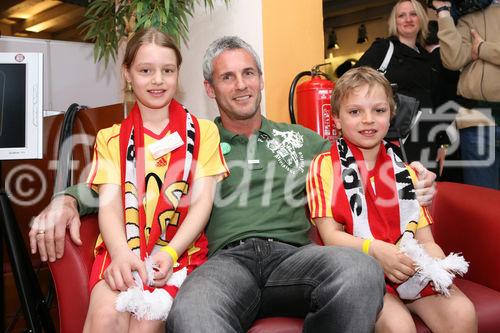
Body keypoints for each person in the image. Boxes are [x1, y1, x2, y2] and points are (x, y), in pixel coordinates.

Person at [29, 36, 437, 332]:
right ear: (209, 88)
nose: (241, 84)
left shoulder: (303, 140)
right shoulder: (195, 140)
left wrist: (414, 177)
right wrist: (65, 200)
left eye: (248, 74)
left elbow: (366, 156)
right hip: (225, 263)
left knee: (359, 271)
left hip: (295, 259)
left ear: (260, 79)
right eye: (227, 77)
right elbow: (123, 179)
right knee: (191, 316)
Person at [307, 66, 477, 332]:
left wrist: (436, 264)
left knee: (462, 312)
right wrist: (376, 251)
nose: (368, 120)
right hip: (364, 273)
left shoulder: (407, 171)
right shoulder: (324, 166)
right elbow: (330, 237)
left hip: (412, 270)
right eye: (355, 112)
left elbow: (425, 241)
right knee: (400, 328)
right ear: (337, 119)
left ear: (391, 114)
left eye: (379, 110)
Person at [82, 28, 228, 332]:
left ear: (178, 73)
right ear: (127, 74)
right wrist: (121, 254)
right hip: (120, 250)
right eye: (145, 71)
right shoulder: (110, 138)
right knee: (106, 319)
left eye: (167, 70)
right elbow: (109, 207)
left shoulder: (204, 133)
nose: (158, 80)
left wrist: (171, 251)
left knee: (146, 326)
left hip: (179, 253)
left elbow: (202, 203)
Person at [355, 0, 436, 165]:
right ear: (395, 21)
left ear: (421, 18)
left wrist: (442, 143)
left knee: (426, 188)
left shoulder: (427, 58)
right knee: (398, 186)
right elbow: (353, 81)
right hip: (396, 138)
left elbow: (436, 99)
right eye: (402, 15)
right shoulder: (383, 48)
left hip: (428, 137)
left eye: (413, 14)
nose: (408, 19)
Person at [432, 0, 500, 189]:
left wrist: (482, 48)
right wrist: (444, 13)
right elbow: (453, 60)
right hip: (476, 118)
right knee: (482, 203)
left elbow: (476, 50)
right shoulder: (467, 17)